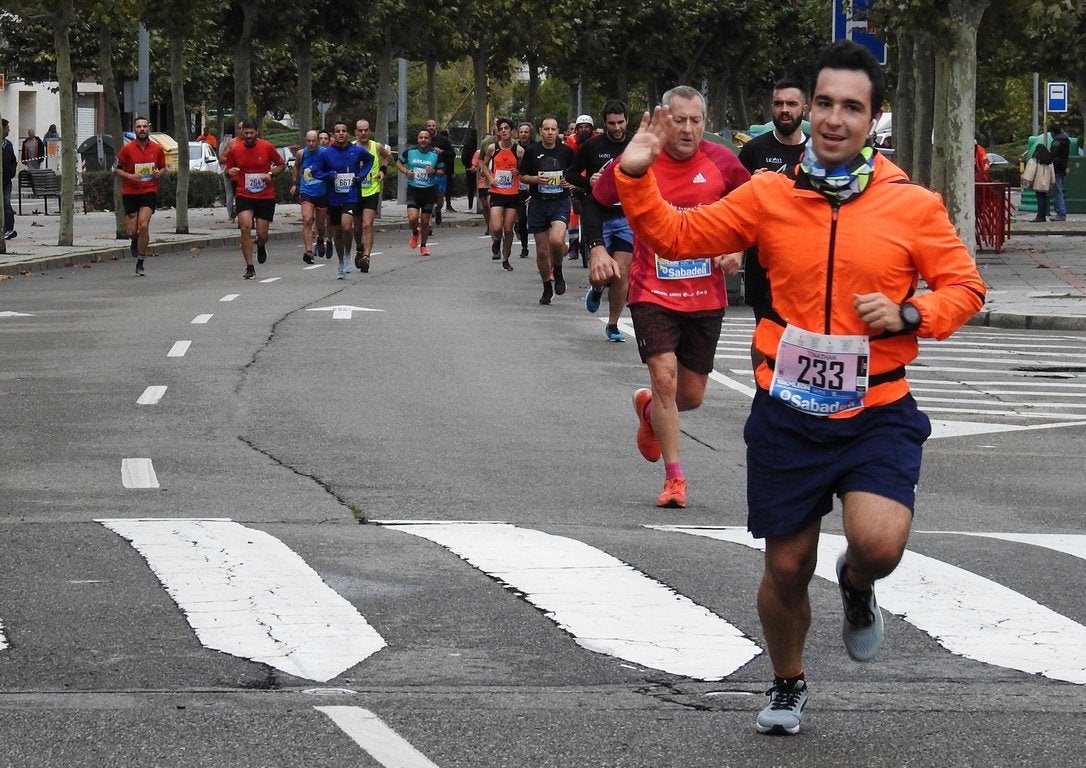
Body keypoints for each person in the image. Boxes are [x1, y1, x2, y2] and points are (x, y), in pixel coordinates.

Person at [614, 41, 986, 736]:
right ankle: (788, 682)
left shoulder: (911, 205)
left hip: (877, 410)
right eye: (824, 104)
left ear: (873, 119)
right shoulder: (769, 194)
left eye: (853, 106)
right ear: (807, 110)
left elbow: (964, 288)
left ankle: (857, 585)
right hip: (787, 411)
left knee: (878, 545)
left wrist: (912, 312)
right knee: (786, 567)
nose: (834, 118)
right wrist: (636, 176)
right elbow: (678, 235)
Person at [591, 86, 749, 509]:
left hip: (704, 293)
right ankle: (675, 479)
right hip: (651, 288)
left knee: (690, 395)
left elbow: (751, 209)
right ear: (664, 119)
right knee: (663, 378)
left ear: (705, 122)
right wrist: (597, 246)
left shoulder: (722, 162)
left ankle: (648, 413)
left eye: (696, 121)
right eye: (679, 120)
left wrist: (738, 246)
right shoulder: (643, 154)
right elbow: (598, 198)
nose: (688, 129)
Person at [738, 79, 809, 367]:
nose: (784, 110)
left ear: (804, 108)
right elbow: (733, 200)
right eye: (779, 104)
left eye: (791, 104)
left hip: (805, 259)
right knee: (765, 332)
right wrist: (752, 185)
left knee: (799, 333)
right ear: (771, 108)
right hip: (763, 258)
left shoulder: (820, 151)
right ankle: (763, 391)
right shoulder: (754, 150)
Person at [570, 99, 634, 341]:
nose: (616, 128)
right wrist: (590, 180)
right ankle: (597, 288)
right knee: (602, 274)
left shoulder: (636, 143)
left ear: (627, 121)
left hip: (627, 216)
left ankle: (613, 324)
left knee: (621, 272)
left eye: (620, 123)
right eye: (611, 124)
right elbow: (570, 173)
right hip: (599, 215)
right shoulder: (592, 146)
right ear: (604, 124)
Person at [519, 115, 575, 305]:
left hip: (559, 201)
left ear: (558, 131)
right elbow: (522, 176)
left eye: (553, 129)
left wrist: (570, 182)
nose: (550, 133)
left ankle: (557, 269)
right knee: (542, 252)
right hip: (538, 203)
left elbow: (574, 174)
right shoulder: (532, 151)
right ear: (541, 131)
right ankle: (546, 286)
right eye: (546, 129)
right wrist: (535, 180)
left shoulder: (566, 152)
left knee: (557, 240)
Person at [223, 119, 286, 279]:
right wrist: (230, 172)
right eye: (246, 133)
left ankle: (261, 244)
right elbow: (227, 170)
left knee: (262, 233)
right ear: (241, 132)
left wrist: (270, 174)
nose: (249, 136)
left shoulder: (267, 147)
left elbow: (281, 165)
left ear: (257, 132)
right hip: (244, 193)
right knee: (245, 227)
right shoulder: (235, 150)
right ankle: (249, 267)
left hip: (265, 195)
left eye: (252, 133)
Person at [311, 121, 375, 278]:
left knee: (347, 227)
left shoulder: (357, 150)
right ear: (334, 135)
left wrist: (361, 175)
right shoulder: (326, 153)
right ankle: (341, 262)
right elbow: (315, 171)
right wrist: (328, 176)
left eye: (343, 131)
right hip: (333, 197)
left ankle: (348, 254)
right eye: (337, 131)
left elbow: (370, 160)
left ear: (348, 134)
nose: (340, 133)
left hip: (351, 195)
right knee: (337, 231)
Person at [113, 117, 167, 275]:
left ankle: (141, 261)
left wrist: (159, 173)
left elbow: (164, 167)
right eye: (139, 127)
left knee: (143, 226)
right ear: (134, 129)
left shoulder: (157, 149)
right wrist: (130, 177)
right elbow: (115, 169)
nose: (142, 129)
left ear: (149, 128)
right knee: (132, 231)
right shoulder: (127, 149)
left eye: (144, 126)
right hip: (130, 192)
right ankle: (135, 240)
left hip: (149, 191)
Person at [479, 117, 523, 271]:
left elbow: (525, 171)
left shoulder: (519, 150)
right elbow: (483, 165)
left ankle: (506, 258)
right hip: (497, 192)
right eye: (501, 129)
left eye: (506, 128)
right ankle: (496, 241)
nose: (503, 131)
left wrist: (518, 172)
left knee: (509, 229)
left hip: (512, 194)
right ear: (498, 132)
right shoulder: (492, 148)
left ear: (512, 131)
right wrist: (490, 177)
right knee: (497, 227)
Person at [394, 127, 443, 257]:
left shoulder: (435, 154)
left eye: (426, 138)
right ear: (418, 139)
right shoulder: (411, 151)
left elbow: (442, 171)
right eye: (421, 137)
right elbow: (398, 163)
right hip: (413, 190)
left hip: (428, 191)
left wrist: (433, 171)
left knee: (426, 221)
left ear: (430, 140)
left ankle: (423, 246)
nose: (423, 140)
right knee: (413, 218)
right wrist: (406, 172)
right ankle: (415, 232)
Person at [353, 119, 392, 272]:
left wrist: (383, 170)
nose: (363, 133)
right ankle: (359, 247)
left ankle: (367, 257)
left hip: (372, 190)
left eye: (366, 130)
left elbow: (387, 157)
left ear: (370, 131)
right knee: (356, 228)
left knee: (367, 224)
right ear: (356, 132)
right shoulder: (351, 148)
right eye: (360, 130)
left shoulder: (376, 146)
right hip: (355, 191)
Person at [291, 130, 328, 264]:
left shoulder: (325, 153)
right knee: (307, 220)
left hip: (322, 192)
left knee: (320, 225)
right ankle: (308, 251)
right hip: (306, 191)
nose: (311, 144)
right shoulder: (301, 153)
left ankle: (320, 239)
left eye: (314, 141)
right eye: (309, 141)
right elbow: (296, 167)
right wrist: (295, 183)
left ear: (318, 141)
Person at [564, 114, 596, 262]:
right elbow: (569, 163)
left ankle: (591, 245)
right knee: (573, 214)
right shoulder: (571, 141)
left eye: (586, 127)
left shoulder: (596, 141)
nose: (583, 130)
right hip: (575, 178)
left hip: (592, 179)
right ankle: (574, 246)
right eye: (580, 127)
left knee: (592, 214)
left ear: (591, 129)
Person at [426, 119, 454, 224]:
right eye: (429, 126)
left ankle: (438, 210)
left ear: (436, 127)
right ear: (426, 127)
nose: (431, 127)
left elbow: (452, 153)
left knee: (440, 200)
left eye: (433, 125)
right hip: (427, 173)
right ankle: (428, 224)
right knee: (428, 199)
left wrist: (442, 152)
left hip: (440, 173)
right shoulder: (424, 140)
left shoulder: (443, 140)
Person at [1022, 143, 1055, 222]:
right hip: (1046, 183)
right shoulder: (1049, 161)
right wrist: (1052, 182)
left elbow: (1030, 172)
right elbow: (1052, 173)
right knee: (1044, 199)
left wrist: (1027, 181)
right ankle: (1043, 216)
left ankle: (1039, 216)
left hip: (1038, 182)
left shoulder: (1034, 160)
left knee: (1040, 199)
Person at [1048, 122, 1070, 221]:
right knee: (1058, 191)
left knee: (1057, 192)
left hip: (1057, 170)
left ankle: (1061, 213)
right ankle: (1060, 213)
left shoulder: (1057, 142)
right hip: (1062, 169)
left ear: (1053, 132)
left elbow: (1054, 157)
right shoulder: (1065, 140)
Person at [2, 120, 18, 241]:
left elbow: (13, 160)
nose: (9, 130)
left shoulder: (8, 145)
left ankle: (9, 229)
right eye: (7, 127)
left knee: (6, 204)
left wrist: (11, 172)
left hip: (6, 180)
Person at [461, 128, 478, 212]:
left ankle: (470, 206)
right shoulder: (479, 143)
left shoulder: (467, 144)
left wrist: (468, 165)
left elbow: (463, 157)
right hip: (480, 168)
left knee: (470, 188)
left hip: (469, 168)